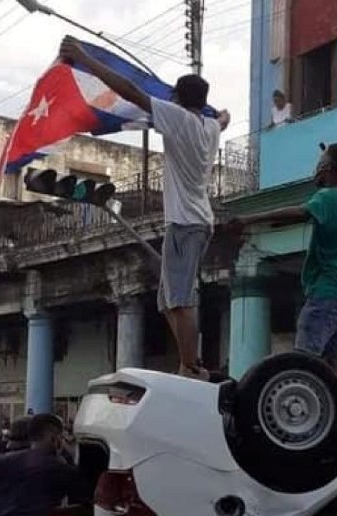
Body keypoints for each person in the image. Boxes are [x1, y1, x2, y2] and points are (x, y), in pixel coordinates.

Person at [59, 36, 231, 381]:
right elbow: (224, 118)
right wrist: (223, 113)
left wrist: (85, 59)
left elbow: (128, 91)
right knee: (166, 300)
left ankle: (191, 366)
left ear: (178, 99)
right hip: (196, 221)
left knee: (180, 298)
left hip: (185, 222)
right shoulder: (210, 126)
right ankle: (188, 360)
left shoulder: (178, 118)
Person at [228, 143, 337, 375]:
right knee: (332, 364)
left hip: (326, 294)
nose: (315, 169)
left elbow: (298, 212)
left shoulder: (326, 199)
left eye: (319, 164)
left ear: (327, 168)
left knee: (304, 362)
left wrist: (248, 219)